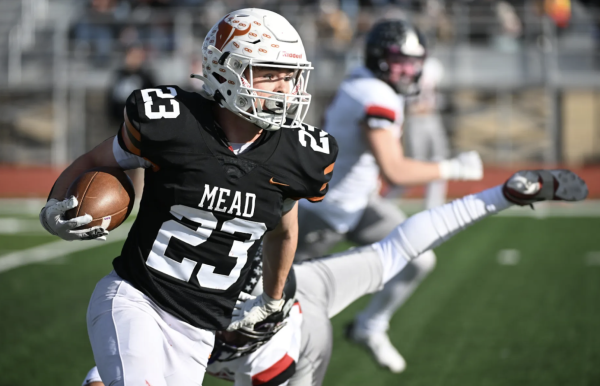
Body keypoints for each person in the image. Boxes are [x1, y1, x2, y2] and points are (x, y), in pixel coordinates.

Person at [39, 9, 338, 386]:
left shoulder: (298, 154)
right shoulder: (175, 123)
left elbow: (283, 231)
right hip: (138, 299)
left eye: (289, 75)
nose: (283, 87)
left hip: (199, 329)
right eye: (268, 72)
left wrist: (272, 300)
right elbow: (96, 159)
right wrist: (54, 205)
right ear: (225, 69)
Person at [82, 169, 589, 386]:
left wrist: (501, 195)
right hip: (299, 293)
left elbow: (406, 243)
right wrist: (500, 195)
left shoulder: (254, 343)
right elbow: (406, 241)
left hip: (291, 344)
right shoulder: (185, 298)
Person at [295, 19, 483, 372]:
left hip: (358, 203)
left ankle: (369, 326)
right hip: (322, 212)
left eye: (415, 61)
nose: (411, 69)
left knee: (418, 258)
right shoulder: (375, 95)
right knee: (280, 303)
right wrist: (453, 169)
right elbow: (395, 169)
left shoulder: (363, 80)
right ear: (380, 58)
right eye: (403, 60)